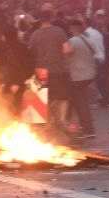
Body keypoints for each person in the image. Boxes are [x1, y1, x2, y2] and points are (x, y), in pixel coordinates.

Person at [28, 9, 70, 137]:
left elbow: (30, 51)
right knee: (61, 97)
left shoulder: (35, 34)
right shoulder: (59, 32)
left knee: (41, 99)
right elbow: (67, 50)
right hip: (58, 69)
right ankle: (60, 122)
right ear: (51, 18)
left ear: (40, 19)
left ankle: (45, 127)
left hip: (40, 70)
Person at [65, 16, 97, 140]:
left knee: (81, 104)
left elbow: (65, 54)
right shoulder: (88, 39)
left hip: (78, 76)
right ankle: (81, 128)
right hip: (88, 75)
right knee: (80, 102)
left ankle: (88, 130)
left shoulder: (73, 41)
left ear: (73, 28)